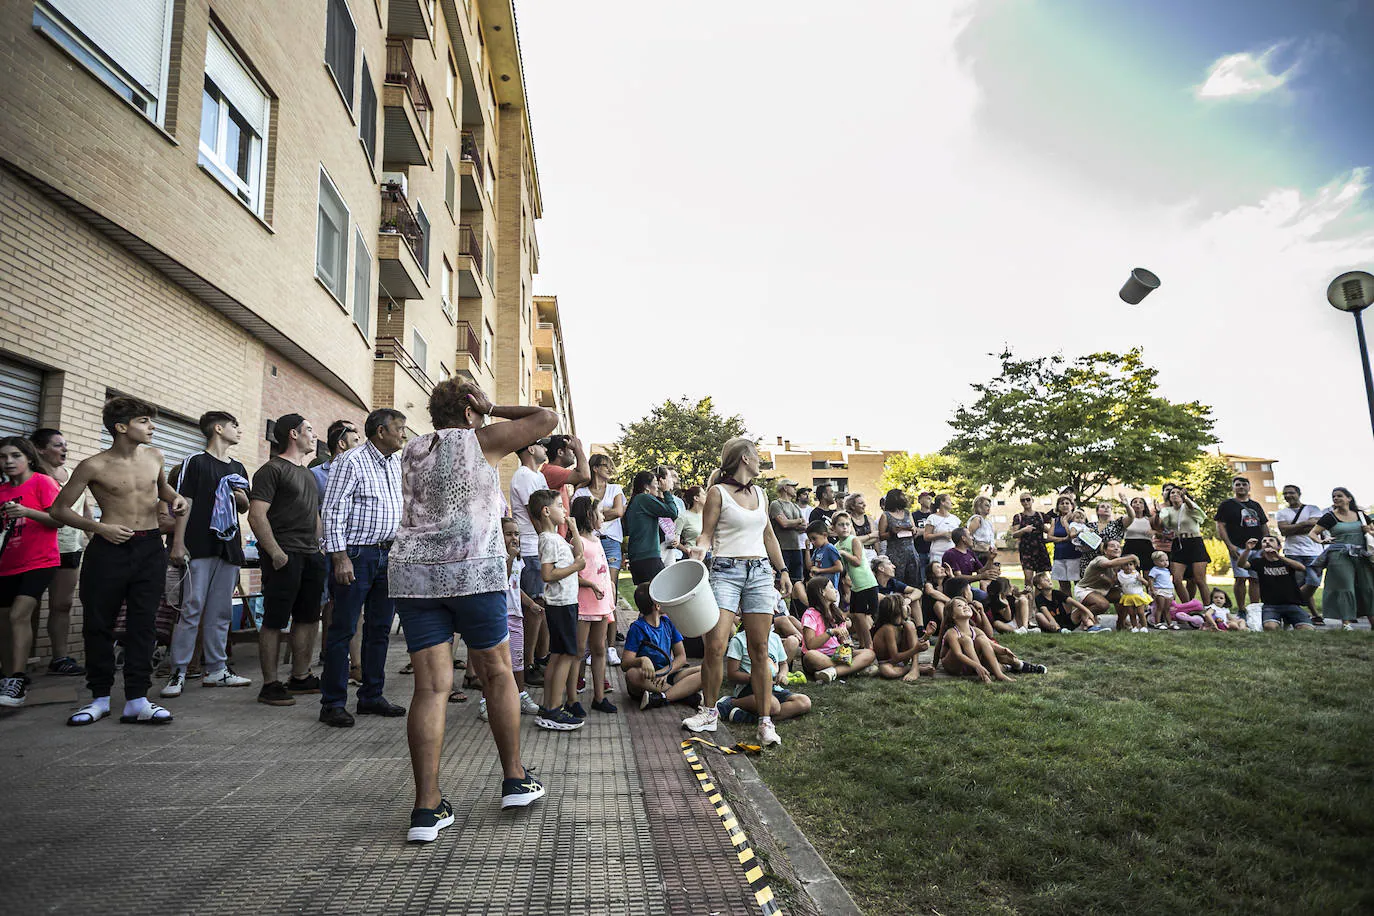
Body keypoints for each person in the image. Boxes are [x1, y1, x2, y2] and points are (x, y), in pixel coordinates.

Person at [389, 380, 555, 835]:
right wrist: (493, 406)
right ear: (468, 412)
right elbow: (547, 419)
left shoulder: (412, 450)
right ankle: (515, 780)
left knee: (429, 689)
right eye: (478, 411)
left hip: (413, 573)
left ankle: (427, 808)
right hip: (472, 571)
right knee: (499, 672)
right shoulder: (479, 439)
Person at [50, 397, 187, 726]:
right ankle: (99, 698)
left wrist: (175, 499)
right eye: (144, 421)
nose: (152, 427)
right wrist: (100, 527)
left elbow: (162, 490)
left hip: (150, 547)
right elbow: (59, 509)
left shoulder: (156, 455)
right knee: (99, 624)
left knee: (144, 625)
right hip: (109, 548)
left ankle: (137, 700)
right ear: (121, 427)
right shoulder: (93, 465)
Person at [680, 438, 792, 747]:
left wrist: (782, 571)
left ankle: (765, 723)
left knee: (760, 648)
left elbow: (768, 534)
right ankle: (709, 712)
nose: (760, 461)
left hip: (759, 573)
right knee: (716, 645)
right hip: (726, 572)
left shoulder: (760, 494)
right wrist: (698, 553)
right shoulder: (717, 493)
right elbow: (706, 534)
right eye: (757, 456)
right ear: (744, 458)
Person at [316, 408, 407, 727]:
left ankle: (371, 696)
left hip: (389, 555)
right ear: (381, 431)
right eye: (399, 428)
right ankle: (333, 703)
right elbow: (332, 511)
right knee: (343, 628)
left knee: (379, 629)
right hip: (356, 555)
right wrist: (339, 557)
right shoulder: (350, 461)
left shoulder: (396, 463)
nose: (403, 434)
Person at [160, 411, 252, 699]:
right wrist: (178, 542)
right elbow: (183, 501)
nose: (239, 430)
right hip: (198, 543)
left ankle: (217, 669)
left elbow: (244, 505)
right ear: (218, 428)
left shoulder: (237, 466)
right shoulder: (195, 462)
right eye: (235, 426)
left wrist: (239, 497)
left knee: (221, 610)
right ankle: (179, 670)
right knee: (191, 608)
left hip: (228, 544)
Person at [247, 414, 327, 708]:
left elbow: (314, 515)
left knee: (308, 618)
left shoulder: (307, 473)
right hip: (284, 555)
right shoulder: (271, 470)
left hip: (310, 556)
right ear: (293, 434)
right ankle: (269, 685)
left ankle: (300, 676)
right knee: (275, 620)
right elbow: (256, 515)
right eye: (309, 429)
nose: (314, 435)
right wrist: (276, 552)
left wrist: (321, 548)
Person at [0, 437, 62, 707]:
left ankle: (17, 677)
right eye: (3, 457)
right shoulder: (1, 491)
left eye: (15, 455)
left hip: (40, 561)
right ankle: (6, 677)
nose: (9, 462)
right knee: (4, 623)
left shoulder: (41, 482)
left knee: (18, 615)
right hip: (6, 563)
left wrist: (27, 511)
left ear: (28, 457)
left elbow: (59, 519)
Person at [29, 429, 89, 676]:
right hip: (36, 547)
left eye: (65, 445)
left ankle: (60, 658)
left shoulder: (72, 476)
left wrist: (93, 539)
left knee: (62, 604)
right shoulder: (31, 477)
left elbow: (86, 511)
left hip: (69, 548)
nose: (64, 449)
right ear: (40, 449)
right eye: (57, 445)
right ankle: (16, 663)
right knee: (23, 606)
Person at [529, 488, 585, 730]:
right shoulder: (548, 540)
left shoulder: (556, 538)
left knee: (560, 654)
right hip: (561, 604)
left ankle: (549, 706)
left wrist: (573, 530)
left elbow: (580, 555)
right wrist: (574, 567)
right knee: (567, 655)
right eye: (560, 506)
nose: (564, 510)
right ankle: (554, 709)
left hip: (565, 603)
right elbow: (548, 574)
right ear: (546, 510)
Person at [478, 518, 542, 721]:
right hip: (498, 615)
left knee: (518, 659)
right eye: (509, 534)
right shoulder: (497, 557)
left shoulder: (517, 559)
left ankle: (520, 694)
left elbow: (514, 586)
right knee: (494, 661)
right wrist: (509, 558)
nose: (514, 538)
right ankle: (486, 700)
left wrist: (530, 603)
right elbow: (500, 581)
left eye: (516, 534)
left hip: (516, 614)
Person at [716, 623, 810, 736]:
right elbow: (732, 674)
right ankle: (731, 703)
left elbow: (783, 663)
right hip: (750, 688)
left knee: (804, 702)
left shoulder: (774, 638)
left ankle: (746, 717)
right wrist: (757, 679)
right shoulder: (739, 640)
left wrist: (783, 674)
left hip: (774, 687)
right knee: (774, 706)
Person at [622, 583, 702, 708]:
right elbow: (625, 663)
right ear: (657, 605)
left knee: (704, 671)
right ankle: (684, 694)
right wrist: (643, 660)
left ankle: (661, 697)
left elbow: (681, 657)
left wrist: (665, 672)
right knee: (632, 674)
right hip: (648, 681)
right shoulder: (637, 628)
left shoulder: (668, 623)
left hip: (668, 675)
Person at [571, 495, 616, 714]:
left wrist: (610, 592)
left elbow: (603, 572)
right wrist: (590, 585)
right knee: (578, 651)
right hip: (583, 605)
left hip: (601, 604)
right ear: (588, 515)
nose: (603, 516)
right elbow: (572, 575)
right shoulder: (576, 542)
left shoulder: (597, 540)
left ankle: (599, 697)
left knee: (599, 649)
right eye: (599, 512)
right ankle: (571, 698)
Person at [1307, 488, 1374, 631]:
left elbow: (1372, 532)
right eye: (1333, 496)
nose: (1336, 498)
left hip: (1362, 555)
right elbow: (1312, 533)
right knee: (1345, 587)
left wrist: (1367, 530)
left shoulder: (1361, 515)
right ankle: (1346, 623)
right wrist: (1322, 541)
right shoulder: (1329, 517)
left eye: (1339, 496)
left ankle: (1372, 621)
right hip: (1339, 555)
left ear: (1349, 498)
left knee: (1368, 587)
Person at [573, 454, 627, 610]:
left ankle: (611, 630)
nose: (610, 469)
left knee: (610, 586)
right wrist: (598, 515)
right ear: (595, 468)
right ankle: (592, 617)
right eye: (606, 465)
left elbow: (618, 512)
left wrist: (594, 514)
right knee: (590, 581)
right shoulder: (581, 492)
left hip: (611, 542)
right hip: (588, 543)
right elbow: (578, 517)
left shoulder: (615, 489)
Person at [799, 576, 876, 682]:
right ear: (822, 592)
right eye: (831, 587)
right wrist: (831, 632)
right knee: (810, 656)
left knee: (869, 653)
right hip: (820, 656)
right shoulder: (810, 614)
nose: (835, 591)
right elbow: (811, 645)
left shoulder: (836, 613)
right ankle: (853, 669)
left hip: (838, 654)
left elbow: (843, 642)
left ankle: (833, 672)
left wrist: (846, 642)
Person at [1234, 536, 1313, 631]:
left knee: (1307, 629)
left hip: (1292, 604)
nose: (1267, 542)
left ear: (1279, 546)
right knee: (1270, 627)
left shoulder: (1286, 561)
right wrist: (1247, 550)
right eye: (1264, 541)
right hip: (1271, 606)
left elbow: (1301, 568)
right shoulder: (1259, 562)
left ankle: (1288, 621)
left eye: (1271, 540)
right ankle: (1282, 622)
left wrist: (1278, 557)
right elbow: (1241, 564)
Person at [1215, 476, 1269, 610]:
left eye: (1244, 484)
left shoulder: (1256, 505)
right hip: (1238, 547)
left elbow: (1264, 526)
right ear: (1233, 488)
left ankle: (1255, 609)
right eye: (1238, 485)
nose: (1241, 487)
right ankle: (1242, 609)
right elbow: (1220, 525)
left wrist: (1266, 545)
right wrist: (1229, 545)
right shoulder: (1227, 505)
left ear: (1249, 487)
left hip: (1257, 549)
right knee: (1240, 578)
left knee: (1255, 579)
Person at [1275, 484, 1326, 625]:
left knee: (1313, 582)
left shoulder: (1313, 509)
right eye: (1285, 493)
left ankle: (1291, 608)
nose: (1288, 496)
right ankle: (1313, 615)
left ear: (1299, 493)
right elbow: (1284, 531)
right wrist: (1306, 524)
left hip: (1314, 553)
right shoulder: (1282, 513)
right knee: (1298, 585)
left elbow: (1316, 526)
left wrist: (1294, 527)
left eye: (1291, 493)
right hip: (1292, 553)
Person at [622, 470, 679, 585]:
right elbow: (673, 512)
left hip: (637, 557)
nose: (657, 486)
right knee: (661, 592)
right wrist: (667, 492)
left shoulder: (635, 501)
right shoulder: (644, 498)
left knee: (646, 596)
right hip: (648, 556)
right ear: (646, 487)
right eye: (655, 482)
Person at [940, 598, 1014, 683]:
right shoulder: (951, 632)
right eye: (960, 606)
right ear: (953, 615)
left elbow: (991, 644)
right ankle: (983, 675)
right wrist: (977, 666)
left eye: (966, 605)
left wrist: (1004, 650)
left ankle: (999, 674)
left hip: (970, 665)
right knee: (966, 640)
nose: (965, 607)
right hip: (954, 666)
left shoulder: (975, 630)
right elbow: (958, 654)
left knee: (982, 639)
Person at [1158, 485, 1210, 603]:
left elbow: (1195, 511)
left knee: (1199, 579)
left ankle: (1208, 607)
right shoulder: (1167, 510)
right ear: (1168, 497)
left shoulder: (1188, 505)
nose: (1175, 494)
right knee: (1176, 580)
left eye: (1178, 492)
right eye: (1172, 493)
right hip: (1179, 543)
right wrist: (1158, 511)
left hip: (1195, 542)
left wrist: (1185, 498)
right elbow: (1164, 523)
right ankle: (1187, 607)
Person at [833, 512, 877, 648]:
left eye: (847, 524)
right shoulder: (836, 546)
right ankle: (862, 644)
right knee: (856, 615)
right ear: (834, 528)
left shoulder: (854, 540)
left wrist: (845, 553)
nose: (844, 527)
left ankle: (869, 644)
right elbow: (838, 566)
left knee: (861, 615)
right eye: (840, 525)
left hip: (866, 582)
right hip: (855, 586)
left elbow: (857, 561)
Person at [870, 594, 932, 681]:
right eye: (904, 604)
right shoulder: (888, 628)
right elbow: (895, 657)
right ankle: (912, 668)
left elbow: (914, 644)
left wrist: (927, 635)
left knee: (910, 624)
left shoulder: (903, 625)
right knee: (887, 671)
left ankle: (915, 667)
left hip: (901, 660)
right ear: (897, 610)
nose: (907, 607)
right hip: (888, 662)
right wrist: (916, 649)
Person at [1073, 539, 1135, 622]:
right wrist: (1132, 557)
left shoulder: (1121, 565)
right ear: (1105, 550)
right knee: (1103, 605)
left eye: (1118, 547)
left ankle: (1121, 624)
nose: (1116, 548)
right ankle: (1080, 616)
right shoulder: (1100, 559)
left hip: (1104, 591)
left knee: (1125, 597)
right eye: (1112, 546)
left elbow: (1117, 583)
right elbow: (1108, 564)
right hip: (1086, 590)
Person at [877, 489, 924, 587]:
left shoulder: (907, 513)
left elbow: (914, 528)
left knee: (914, 583)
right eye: (902, 495)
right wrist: (892, 532)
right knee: (897, 583)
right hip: (895, 553)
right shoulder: (886, 515)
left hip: (911, 552)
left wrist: (913, 530)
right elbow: (881, 536)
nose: (904, 498)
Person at [1031, 572, 1102, 632]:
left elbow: (1073, 602)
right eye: (1045, 580)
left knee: (1081, 608)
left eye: (1048, 579)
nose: (1049, 581)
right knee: (1039, 615)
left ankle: (1091, 627)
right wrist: (1053, 622)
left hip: (1065, 621)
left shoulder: (1057, 593)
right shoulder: (1039, 598)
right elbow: (1044, 610)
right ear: (1039, 586)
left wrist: (1087, 611)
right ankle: (1059, 631)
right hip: (1051, 624)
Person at [769, 480, 808, 584]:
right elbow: (784, 523)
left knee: (798, 581)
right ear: (785, 488)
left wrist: (792, 523)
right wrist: (798, 521)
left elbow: (804, 527)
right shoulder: (776, 504)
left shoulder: (795, 506)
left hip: (796, 548)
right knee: (780, 581)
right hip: (781, 549)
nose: (795, 489)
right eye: (793, 486)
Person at [1009, 493, 1052, 580]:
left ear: (1032, 500)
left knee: (1040, 579)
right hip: (1026, 550)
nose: (1025, 502)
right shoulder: (1018, 517)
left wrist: (1050, 538)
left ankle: (1038, 594)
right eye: (1023, 500)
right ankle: (1028, 594)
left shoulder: (1040, 515)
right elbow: (1014, 534)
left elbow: (1051, 526)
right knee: (1028, 579)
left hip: (1040, 549)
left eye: (1028, 499)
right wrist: (1024, 530)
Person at [1080, 502, 1127, 574]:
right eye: (1102, 506)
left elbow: (1131, 517)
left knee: (1109, 582)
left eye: (1108, 507)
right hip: (1089, 560)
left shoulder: (1117, 524)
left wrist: (1126, 504)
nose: (1106, 508)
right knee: (1088, 583)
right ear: (1097, 511)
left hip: (1110, 561)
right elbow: (1081, 541)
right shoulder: (1089, 525)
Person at [1046, 495, 1081, 593]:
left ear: (1072, 506)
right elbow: (1049, 537)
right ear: (1058, 506)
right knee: (1064, 588)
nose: (1065, 505)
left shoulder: (1077, 519)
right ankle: (1067, 608)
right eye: (1062, 503)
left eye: (1067, 503)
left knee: (1078, 586)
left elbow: (1072, 535)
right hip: (1059, 556)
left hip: (1074, 556)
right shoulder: (1055, 520)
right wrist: (1063, 539)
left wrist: (1065, 521)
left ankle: (1081, 608)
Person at [653, 465, 685, 566]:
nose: (673, 481)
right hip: (656, 547)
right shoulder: (652, 500)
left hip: (669, 546)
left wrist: (676, 537)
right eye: (670, 477)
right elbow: (672, 513)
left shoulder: (672, 500)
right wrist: (666, 491)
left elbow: (678, 520)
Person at [922, 494, 961, 566]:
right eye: (949, 500)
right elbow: (926, 537)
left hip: (953, 553)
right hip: (938, 554)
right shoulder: (932, 518)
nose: (951, 502)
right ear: (942, 502)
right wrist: (942, 535)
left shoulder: (955, 518)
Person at [1115, 558, 1152, 632]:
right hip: (1128, 596)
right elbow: (1117, 582)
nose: (1128, 566)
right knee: (1131, 613)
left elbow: (1147, 584)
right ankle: (1134, 626)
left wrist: (1141, 580)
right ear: (1122, 566)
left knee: (1140, 612)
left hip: (1138, 596)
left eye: (1131, 564)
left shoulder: (1136, 574)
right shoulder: (1120, 575)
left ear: (1134, 566)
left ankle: (1144, 626)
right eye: (1126, 565)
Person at [1147, 551, 1181, 630]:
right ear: (1155, 562)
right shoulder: (1155, 570)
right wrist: (1152, 590)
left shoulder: (1167, 571)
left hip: (1168, 591)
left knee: (1167, 608)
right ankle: (1157, 623)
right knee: (1160, 607)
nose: (1165, 563)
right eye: (1162, 561)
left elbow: (1168, 582)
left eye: (1166, 560)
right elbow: (1151, 580)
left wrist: (1173, 592)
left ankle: (1170, 623)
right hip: (1160, 590)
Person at [1122, 497, 1157, 571]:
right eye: (1135, 502)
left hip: (1146, 547)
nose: (1138, 504)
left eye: (1141, 502)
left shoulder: (1150, 519)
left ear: (1144, 506)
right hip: (1130, 547)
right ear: (1131, 506)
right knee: (1131, 573)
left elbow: (1160, 532)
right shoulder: (1125, 519)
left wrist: (1154, 532)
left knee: (1148, 574)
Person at [806, 521, 842, 592]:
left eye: (814, 538)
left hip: (831, 589)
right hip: (821, 588)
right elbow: (809, 567)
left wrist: (820, 570)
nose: (812, 542)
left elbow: (839, 567)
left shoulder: (830, 548)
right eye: (810, 540)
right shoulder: (817, 550)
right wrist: (807, 549)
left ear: (825, 535)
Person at [844, 493, 880, 562]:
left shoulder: (869, 519)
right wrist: (870, 535)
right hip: (856, 554)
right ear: (852, 506)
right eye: (860, 503)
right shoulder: (848, 520)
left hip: (871, 552)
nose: (864, 505)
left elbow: (876, 538)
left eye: (864, 503)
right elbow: (853, 540)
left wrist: (879, 555)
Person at [674, 486, 705, 563]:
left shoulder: (707, 516)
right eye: (704, 494)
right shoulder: (683, 517)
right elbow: (674, 540)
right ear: (696, 498)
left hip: (708, 556)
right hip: (692, 558)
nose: (706, 496)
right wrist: (687, 550)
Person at [967, 496, 997, 567]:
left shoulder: (988, 522)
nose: (988, 508)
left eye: (989, 506)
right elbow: (968, 535)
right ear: (979, 506)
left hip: (987, 552)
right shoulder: (977, 519)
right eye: (986, 505)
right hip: (977, 552)